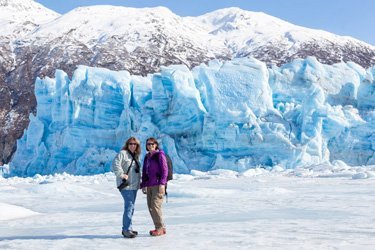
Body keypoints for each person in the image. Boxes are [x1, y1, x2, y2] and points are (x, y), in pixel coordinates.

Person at [112, 137, 141, 238]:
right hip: (126, 186)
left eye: (135, 144)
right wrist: (121, 174)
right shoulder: (122, 153)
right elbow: (115, 164)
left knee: (131, 207)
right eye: (130, 144)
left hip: (134, 186)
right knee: (129, 206)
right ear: (127, 145)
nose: (132, 145)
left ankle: (129, 227)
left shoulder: (136, 156)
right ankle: (126, 229)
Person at [140, 137, 168, 236]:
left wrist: (162, 184)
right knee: (150, 207)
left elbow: (165, 170)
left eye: (152, 144)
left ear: (156, 145)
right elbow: (144, 172)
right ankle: (161, 227)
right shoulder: (147, 157)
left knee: (155, 206)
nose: (150, 145)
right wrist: (143, 185)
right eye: (148, 144)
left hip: (158, 185)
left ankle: (159, 228)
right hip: (150, 185)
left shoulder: (160, 155)